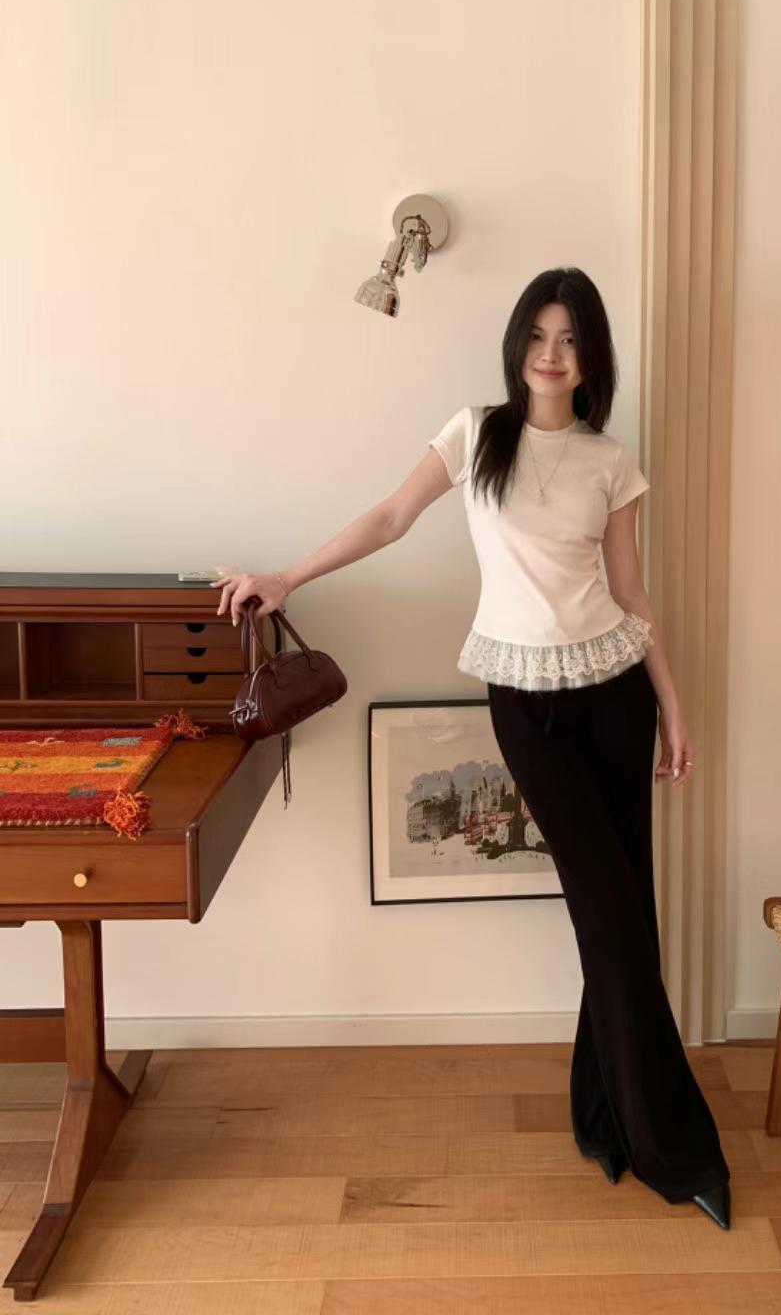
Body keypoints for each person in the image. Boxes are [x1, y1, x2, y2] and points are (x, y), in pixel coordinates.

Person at [211, 266, 732, 1230]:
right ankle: (677, 1148)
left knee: (628, 909)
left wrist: (672, 703)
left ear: (591, 357)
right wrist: (287, 577)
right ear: (516, 342)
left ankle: (604, 1116)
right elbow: (389, 518)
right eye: (537, 334)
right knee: (612, 920)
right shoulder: (477, 434)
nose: (550, 354)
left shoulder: (611, 461)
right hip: (525, 706)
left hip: (614, 696)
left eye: (569, 339)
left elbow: (632, 594)